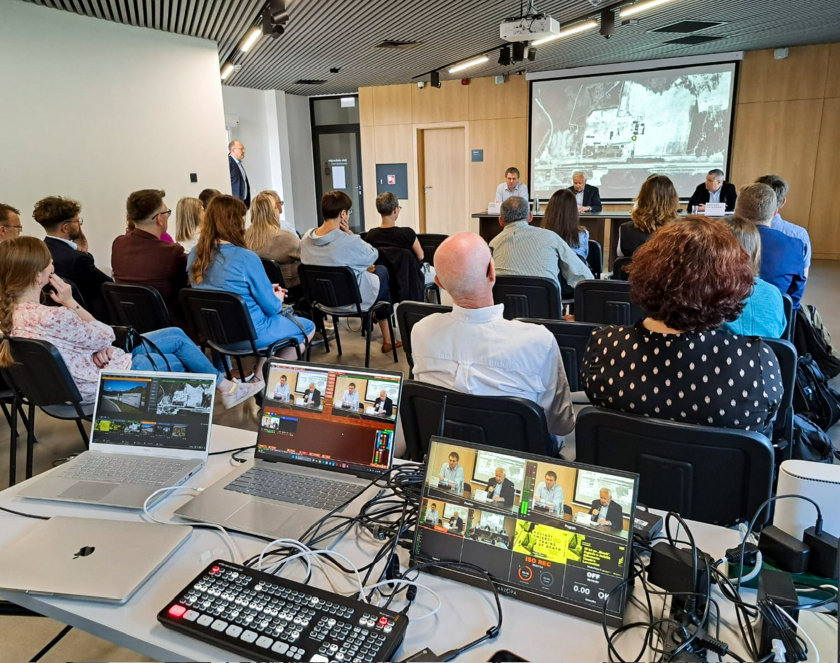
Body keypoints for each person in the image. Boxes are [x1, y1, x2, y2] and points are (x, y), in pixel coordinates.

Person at [0, 237, 263, 409]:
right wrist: (71, 302)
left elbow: (87, 342)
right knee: (177, 362)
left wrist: (98, 346)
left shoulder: (12, 317)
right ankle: (180, 427)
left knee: (174, 335)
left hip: (74, 381)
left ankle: (226, 388)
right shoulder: (56, 315)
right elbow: (105, 334)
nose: (52, 268)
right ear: (38, 277)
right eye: (49, 265)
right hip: (98, 385)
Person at [582, 215, 783, 436]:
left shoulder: (603, 347)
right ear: (731, 289)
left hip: (627, 468)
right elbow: (763, 430)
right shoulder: (756, 361)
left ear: (645, 274)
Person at [411, 232, 575, 453]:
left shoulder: (421, 330)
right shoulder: (538, 340)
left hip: (445, 451)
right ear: (492, 272)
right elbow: (561, 423)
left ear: (438, 282)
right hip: (518, 460)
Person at [187, 195, 315, 371]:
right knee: (307, 327)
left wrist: (265, 289)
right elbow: (272, 308)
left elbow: (221, 293)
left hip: (214, 334)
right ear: (236, 223)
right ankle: (260, 380)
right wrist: (276, 296)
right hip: (251, 334)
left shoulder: (195, 254)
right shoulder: (245, 257)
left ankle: (229, 375)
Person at [300, 191, 400, 354]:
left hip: (321, 303)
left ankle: (382, 328)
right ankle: (388, 339)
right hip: (353, 302)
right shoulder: (348, 241)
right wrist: (350, 234)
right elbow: (373, 254)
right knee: (382, 272)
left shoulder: (305, 240)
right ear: (343, 214)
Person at [111, 189, 189, 330]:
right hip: (170, 325)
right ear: (159, 218)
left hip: (132, 324)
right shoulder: (171, 252)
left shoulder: (118, 244)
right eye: (167, 212)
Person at [32, 195, 111, 322]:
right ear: (66, 227)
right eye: (77, 221)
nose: (79, 225)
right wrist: (85, 255)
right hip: (90, 319)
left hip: (56, 318)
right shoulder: (77, 259)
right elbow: (108, 286)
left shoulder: (39, 251)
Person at [490, 196, 592, 290]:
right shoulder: (551, 237)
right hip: (547, 308)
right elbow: (585, 277)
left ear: (500, 221)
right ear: (530, 216)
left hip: (506, 308)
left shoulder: (492, 245)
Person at [735, 183, 806, 309]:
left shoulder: (718, 241)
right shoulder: (795, 245)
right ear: (775, 213)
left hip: (722, 320)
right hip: (777, 321)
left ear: (736, 212)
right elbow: (794, 299)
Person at [721, 217, 786, 338]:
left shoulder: (705, 294)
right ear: (755, 251)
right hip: (768, 355)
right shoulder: (773, 293)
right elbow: (779, 331)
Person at [245, 192, 302, 300]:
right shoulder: (287, 239)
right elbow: (308, 258)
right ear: (273, 210)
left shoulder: (243, 238)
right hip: (289, 290)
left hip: (258, 292)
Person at [756, 174, 812, 279]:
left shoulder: (732, 229)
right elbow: (802, 277)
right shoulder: (799, 234)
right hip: (782, 294)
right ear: (783, 202)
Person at [616, 175, 679, 258]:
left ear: (641, 198)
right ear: (673, 199)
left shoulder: (625, 229)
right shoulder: (682, 230)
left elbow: (621, 257)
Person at [541, 189, 589, 260]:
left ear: (550, 210)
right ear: (574, 211)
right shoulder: (583, 234)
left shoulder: (542, 234)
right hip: (577, 270)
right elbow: (584, 257)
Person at [228, 141, 250, 207]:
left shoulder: (239, 164)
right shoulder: (229, 163)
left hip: (243, 202)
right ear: (233, 150)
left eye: (243, 149)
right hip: (234, 203)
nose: (243, 151)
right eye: (241, 149)